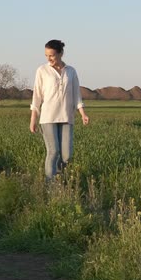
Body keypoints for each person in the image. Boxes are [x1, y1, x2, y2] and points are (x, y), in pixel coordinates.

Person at [30, 40, 90, 181]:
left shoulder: (71, 71)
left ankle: (60, 179)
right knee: (53, 151)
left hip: (67, 116)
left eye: (52, 55)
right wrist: (33, 119)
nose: (49, 58)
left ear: (61, 53)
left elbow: (76, 94)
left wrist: (82, 113)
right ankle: (51, 185)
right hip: (48, 117)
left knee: (66, 155)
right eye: (46, 55)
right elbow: (37, 96)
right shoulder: (42, 70)